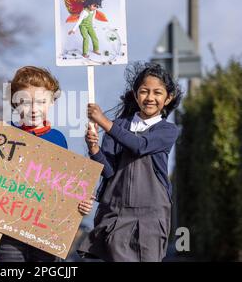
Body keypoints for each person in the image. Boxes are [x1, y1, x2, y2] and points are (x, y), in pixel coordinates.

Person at [0, 66, 94, 262]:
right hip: (10, 228)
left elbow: (62, 185)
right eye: (26, 102)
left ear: (52, 102)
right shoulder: (5, 132)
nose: (34, 109)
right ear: (15, 103)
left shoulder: (58, 139)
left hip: (45, 231)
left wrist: (80, 202)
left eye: (41, 101)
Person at [78, 62, 183, 262]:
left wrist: (104, 122)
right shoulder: (119, 126)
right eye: (144, 91)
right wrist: (94, 150)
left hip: (153, 216)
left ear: (168, 98)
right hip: (117, 213)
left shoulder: (167, 131)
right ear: (136, 95)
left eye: (158, 93)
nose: (150, 98)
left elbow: (139, 145)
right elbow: (109, 172)